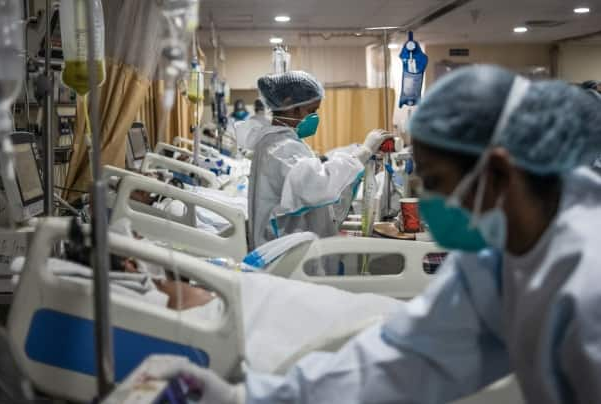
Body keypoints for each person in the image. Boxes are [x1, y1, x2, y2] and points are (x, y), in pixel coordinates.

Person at [147, 65, 601, 404]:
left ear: (499, 171)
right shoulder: (493, 263)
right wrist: (249, 398)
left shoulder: (588, 283)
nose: (429, 206)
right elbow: (402, 360)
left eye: (438, 184)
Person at [247, 70, 392, 249]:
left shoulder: (281, 142)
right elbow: (318, 185)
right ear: (289, 105)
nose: (314, 118)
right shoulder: (279, 148)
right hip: (285, 255)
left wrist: (357, 163)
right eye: (311, 110)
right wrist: (363, 152)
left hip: (289, 248)